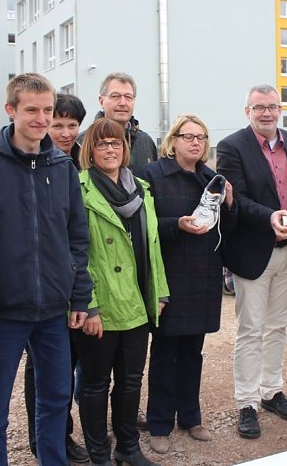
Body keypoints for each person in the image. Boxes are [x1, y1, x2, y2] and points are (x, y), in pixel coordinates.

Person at [0, 73, 92, 465]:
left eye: (47, 111)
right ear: (11, 110)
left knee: (55, 400)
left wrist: (80, 297)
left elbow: (77, 238)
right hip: (3, 313)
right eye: (32, 110)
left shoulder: (62, 167)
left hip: (54, 311)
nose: (42, 119)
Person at [75, 118, 170, 466]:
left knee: (131, 382)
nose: (110, 149)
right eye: (102, 144)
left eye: (115, 143)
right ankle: (99, 452)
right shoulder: (79, 188)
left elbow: (153, 245)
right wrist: (89, 305)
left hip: (137, 303)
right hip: (102, 305)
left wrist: (159, 292)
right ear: (90, 150)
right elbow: (76, 252)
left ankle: (127, 447)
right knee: (96, 384)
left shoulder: (141, 189)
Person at [140, 114, 237, 454]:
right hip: (169, 274)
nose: (195, 142)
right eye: (188, 136)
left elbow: (228, 226)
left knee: (194, 352)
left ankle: (191, 417)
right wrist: (175, 225)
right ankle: (160, 424)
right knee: (165, 352)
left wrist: (230, 202)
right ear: (173, 140)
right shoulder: (152, 175)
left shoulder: (213, 179)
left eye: (201, 137)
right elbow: (144, 225)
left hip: (204, 274)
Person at [216, 85, 287, 439]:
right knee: (251, 329)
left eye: (271, 107)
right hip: (253, 251)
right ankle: (247, 403)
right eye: (258, 108)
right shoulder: (232, 146)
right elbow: (237, 198)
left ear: (279, 109)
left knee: (278, 326)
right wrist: (271, 216)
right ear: (247, 111)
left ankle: (271, 391)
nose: (266, 113)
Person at [22, 92, 89, 463]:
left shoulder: (81, 158)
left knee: (71, 363)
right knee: (44, 370)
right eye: (57, 123)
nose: (63, 131)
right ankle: (49, 437)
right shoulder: (36, 159)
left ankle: (64, 431)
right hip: (42, 285)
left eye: (70, 125)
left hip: (76, 279)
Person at [90, 72, 157, 175]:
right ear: (101, 101)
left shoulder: (146, 142)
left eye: (128, 97)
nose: (123, 103)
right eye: (115, 96)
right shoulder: (85, 141)